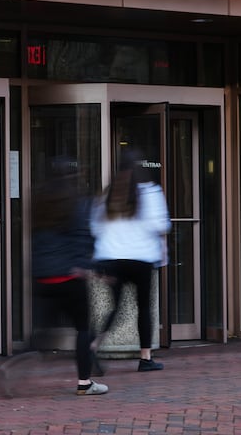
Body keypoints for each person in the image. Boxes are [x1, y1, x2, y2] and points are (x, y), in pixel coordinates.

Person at [31, 160, 108, 396]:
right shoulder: (79, 203)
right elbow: (84, 237)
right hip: (70, 275)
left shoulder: (41, 202)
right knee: (84, 329)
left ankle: (21, 357)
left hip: (44, 275)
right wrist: (90, 267)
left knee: (45, 328)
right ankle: (84, 382)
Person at [90, 149, 171, 372]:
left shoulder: (107, 193)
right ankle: (145, 358)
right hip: (141, 258)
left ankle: (93, 345)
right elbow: (160, 225)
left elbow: (95, 228)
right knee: (144, 307)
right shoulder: (150, 192)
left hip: (111, 258)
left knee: (114, 307)